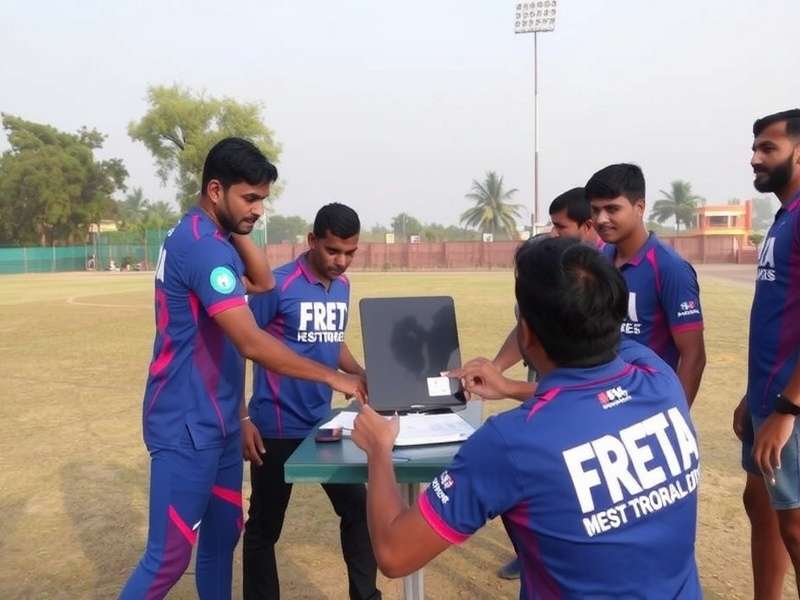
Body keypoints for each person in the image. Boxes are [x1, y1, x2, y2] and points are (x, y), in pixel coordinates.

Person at [351, 236, 702, 599]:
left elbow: (394, 554)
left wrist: (379, 448)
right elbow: (585, 393)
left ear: (527, 334)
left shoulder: (511, 442)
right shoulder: (659, 378)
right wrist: (507, 386)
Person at [118, 138, 365, 600]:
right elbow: (251, 341)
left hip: (221, 420)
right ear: (215, 190)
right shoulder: (202, 247)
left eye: (263, 200)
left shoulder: (215, 238)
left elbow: (264, 280)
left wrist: (239, 223)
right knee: (169, 557)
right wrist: (335, 377)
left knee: (221, 540)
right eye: (249, 198)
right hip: (185, 422)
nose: (259, 210)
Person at [242, 203, 381, 600]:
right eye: (333, 251)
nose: (341, 262)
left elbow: (330, 341)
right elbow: (242, 345)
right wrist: (242, 417)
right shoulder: (277, 285)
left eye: (350, 253)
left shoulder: (343, 287)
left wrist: (360, 373)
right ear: (312, 241)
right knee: (265, 527)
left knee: (358, 510)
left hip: (324, 424)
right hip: (274, 427)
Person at [492, 187, 601, 579]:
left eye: (560, 226)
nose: (553, 234)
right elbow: (524, 329)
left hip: (584, 412)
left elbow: (395, 552)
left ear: (587, 228)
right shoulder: (547, 270)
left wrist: (504, 388)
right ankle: (530, 550)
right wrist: (497, 369)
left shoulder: (596, 282)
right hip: (546, 395)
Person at [735, 108, 800, 599]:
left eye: (768, 149)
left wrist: (786, 409)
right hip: (767, 396)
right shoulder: (783, 218)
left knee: (796, 527)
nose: (755, 158)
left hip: (790, 406)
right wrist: (752, 397)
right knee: (762, 505)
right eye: (755, 148)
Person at [586, 163, 706, 406]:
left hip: (648, 404)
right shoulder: (599, 259)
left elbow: (693, 356)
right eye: (595, 210)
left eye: (612, 209)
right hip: (603, 402)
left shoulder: (670, 268)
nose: (601, 219)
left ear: (639, 207)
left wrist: (675, 416)